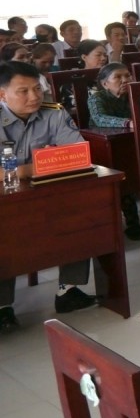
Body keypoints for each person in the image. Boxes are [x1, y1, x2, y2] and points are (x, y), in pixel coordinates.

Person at [0, 62, 101, 333]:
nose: (34, 97)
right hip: (5, 202)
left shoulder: (53, 114)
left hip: (47, 194)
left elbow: (77, 155)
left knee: (84, 213)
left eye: (37, 89)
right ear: (2, 95)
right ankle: (2, 307)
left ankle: (69, 290)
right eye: (23, 91)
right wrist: (33, 166)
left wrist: (19, 170)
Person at [86, 62, 140, 240]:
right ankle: (132, 223)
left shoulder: (136, 92)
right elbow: (100, 118)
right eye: (117, 77)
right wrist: (129, 122)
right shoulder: (97, 97)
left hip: (134, 138)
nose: (124, 80)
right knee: (124, 176)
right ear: (104, 83)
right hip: (106, 144)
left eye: (127, 76)